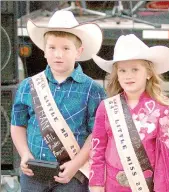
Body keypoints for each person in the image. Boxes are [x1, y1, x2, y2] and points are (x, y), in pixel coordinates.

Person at [11, 10, 106, 192]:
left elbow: (96, 134)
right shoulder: (28, 85)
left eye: (66, 48)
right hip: (33, 174)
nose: (58, 54)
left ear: (79, 52)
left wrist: (76, 164)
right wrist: (24, 154)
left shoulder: (93, 90)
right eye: (52, 48)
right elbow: (17, 124)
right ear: (44, 50)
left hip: (72, 176)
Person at [89, 34, 169, 192]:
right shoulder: (106, 107)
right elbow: (97, 148)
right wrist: (96, 184)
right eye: (122, 70)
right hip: (112, 185)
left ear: (149, 73)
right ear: (117, 75)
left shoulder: (163, 110)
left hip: (145, 186)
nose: (128, 75)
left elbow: (166, 159)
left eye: (135, 69)